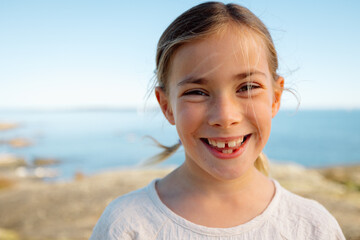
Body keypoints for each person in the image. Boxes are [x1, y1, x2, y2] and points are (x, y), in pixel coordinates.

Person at [90, 2, 345, 239]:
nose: (225, 117)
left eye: (247, 87)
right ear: (167, 106)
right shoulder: (126, 226)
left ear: (275, 98)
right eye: (196, 92)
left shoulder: (313, 227)